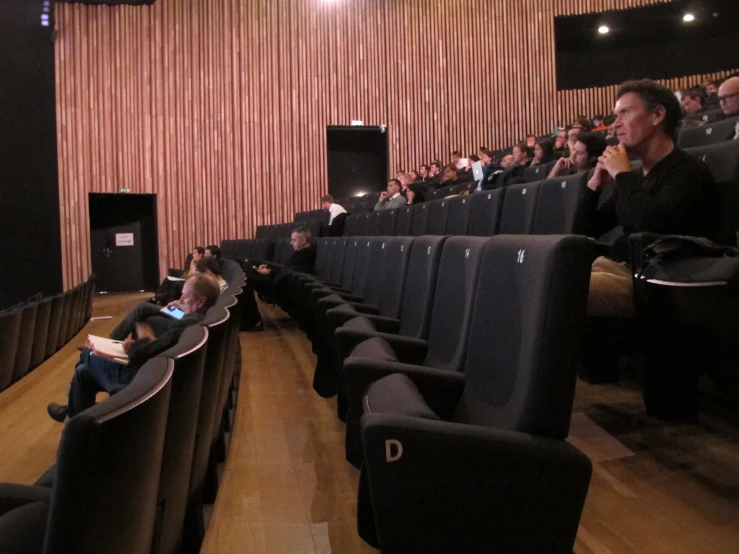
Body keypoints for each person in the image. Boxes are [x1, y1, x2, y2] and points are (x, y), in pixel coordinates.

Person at [576, 79, 718, 318]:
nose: (615, 125)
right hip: (614, 267)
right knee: (540, 275)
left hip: (651, 279)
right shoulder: (634, 177)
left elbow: (654, 223)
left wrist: (621, 174)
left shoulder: (688, 170)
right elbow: (585, 230)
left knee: (555, 288)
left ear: (657, 115)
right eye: (615, 115)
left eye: (625, 113)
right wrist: (593, 185)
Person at [47, 274, 220, 422]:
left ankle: (73, 419)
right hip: (158, 373)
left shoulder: (189, 324)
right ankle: (73, 419)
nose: (181, 301)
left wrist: (144, 336)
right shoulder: (200, 320)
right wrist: (147, 342)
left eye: (185, 297)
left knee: (89, 353)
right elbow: (155, 348)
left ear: (200, 301)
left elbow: (139, 355)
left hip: (146, 382)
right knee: (83, 372)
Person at [243, 227, 317, 329]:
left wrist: (269, 272)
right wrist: (269, 270)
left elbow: (291, 272)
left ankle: (254, 321)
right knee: (246, 275)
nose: (291, 243)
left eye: (294, 240)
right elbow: (286, 269)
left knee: (245, 278)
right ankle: (252, 320)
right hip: (280, 281)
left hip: (283, 287)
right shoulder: (301, 253)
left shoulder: (306, 254)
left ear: (303, 240)